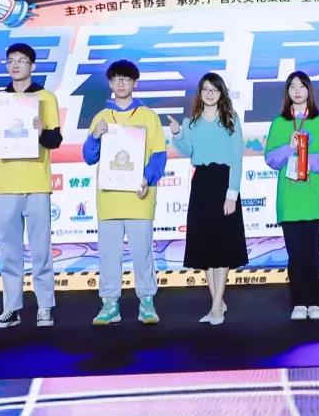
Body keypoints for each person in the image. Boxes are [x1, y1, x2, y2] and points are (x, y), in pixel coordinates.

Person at [0, 42, 62, 329]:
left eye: (21, 60)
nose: (15, 65)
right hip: (6, 186)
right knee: (10, 252)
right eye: (10, 60)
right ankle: (11, 309)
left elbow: (54, 141)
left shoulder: (45, 98)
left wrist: (41, 131)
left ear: (32, 66)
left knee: (41, 250)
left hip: (36, 183)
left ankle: (45, 307)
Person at [83, 59, 167, 326]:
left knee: (142, 253)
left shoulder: (148, 116)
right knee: (109, 255)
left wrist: (147, 178)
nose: (121, 83)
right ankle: (109, 304)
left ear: (134, 83)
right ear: (110, 83)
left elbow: (159, 155)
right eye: (116, 78)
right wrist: (94, 137)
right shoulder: (101, 117)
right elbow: (89, 157)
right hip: (109, 198)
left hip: (139, 198)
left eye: (126, 79)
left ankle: (147, 302)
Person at [169, 73, 248, 325]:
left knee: (222, 245)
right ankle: (217, 302)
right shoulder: (191, 122)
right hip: (201, 182)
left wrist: (232, 193)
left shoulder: (230, 119)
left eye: (214, 89)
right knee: (205, 245)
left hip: (223, 181)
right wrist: (177, 134)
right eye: (205, 89)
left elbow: (236, 158)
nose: (209, 93)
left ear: (221, 93)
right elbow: (187, 151)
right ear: (200, 93)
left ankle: (216, 307)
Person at [263, 72, 319, 321]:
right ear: (287, 92)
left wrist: (306, 160)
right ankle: (298, 302)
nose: (297, 91)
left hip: (315, 199)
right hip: (290, 200)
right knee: (295, 255)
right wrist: (290, 149)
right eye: (292, 86)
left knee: (313, 255)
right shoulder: (279, 122)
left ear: (309, 90)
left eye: (302, 86)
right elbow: (271, 158)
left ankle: (315, 302)